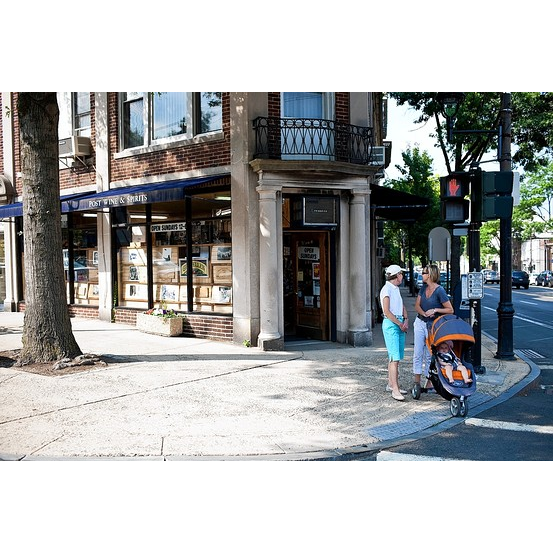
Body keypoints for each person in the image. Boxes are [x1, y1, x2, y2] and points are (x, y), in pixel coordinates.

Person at [413, 264, 454, 392]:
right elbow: (417, 305)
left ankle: (430, 381)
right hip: (420, 321)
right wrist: (423, 312)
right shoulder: (423, 288)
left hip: (432, 325)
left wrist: (435, 310)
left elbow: (450, 309)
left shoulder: (439, 290)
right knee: (417, 352)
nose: (422, 274)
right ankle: (417, 382)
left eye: (424, 272)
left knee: (430, 354)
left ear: (430, 274)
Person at [380, 264, 409, 402]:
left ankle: (391, 384)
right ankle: (395, 389)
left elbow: (401, 305)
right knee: (394, 358)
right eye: (401, 274)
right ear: (397, 275)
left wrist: (406, 319)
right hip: (392, 324)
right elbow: (387, 312)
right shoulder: (386, 290)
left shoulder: (395, 289)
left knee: (395, 356)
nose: (402, 276)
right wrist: (400, 324)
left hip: (398, 322)